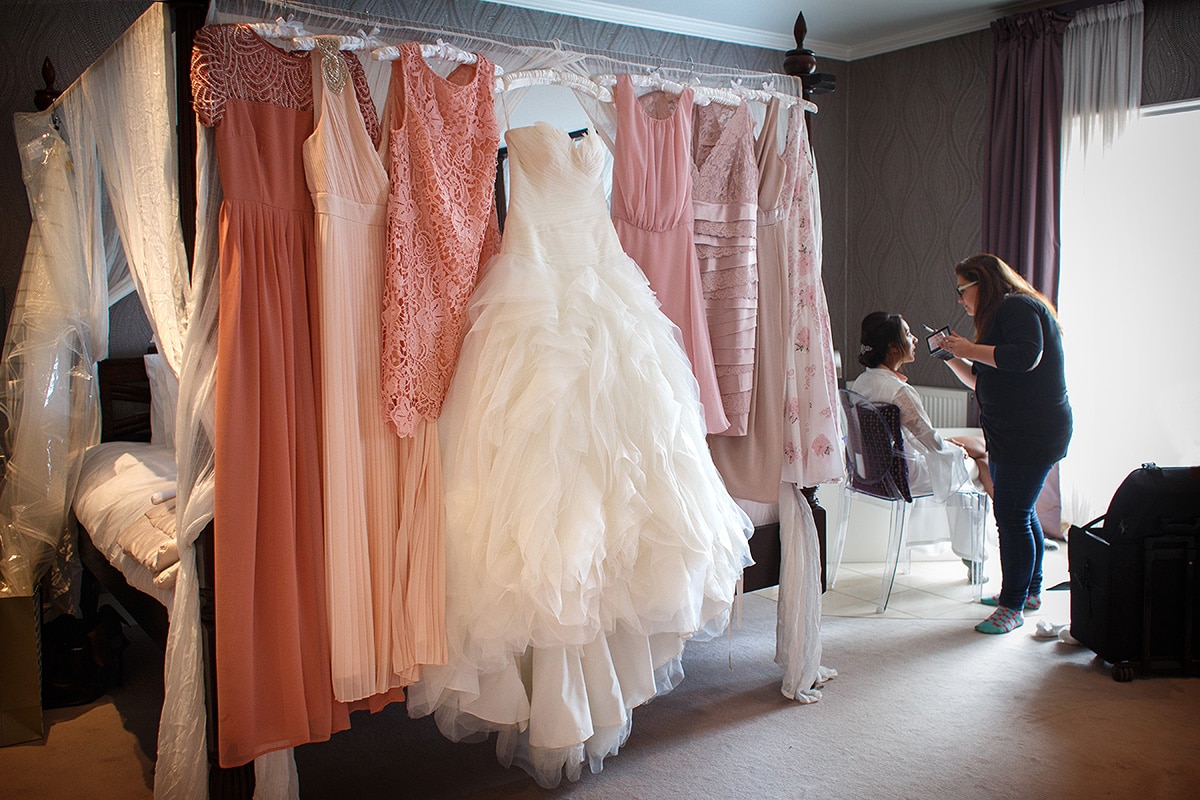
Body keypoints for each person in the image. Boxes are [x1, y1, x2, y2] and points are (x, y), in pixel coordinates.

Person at [939, 254, 1072, 635]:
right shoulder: (1002, 317)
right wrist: (953, 357)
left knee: (1012, 516)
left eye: (962, 290)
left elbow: (1025, 357)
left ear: (983, 283)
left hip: (1033, 433)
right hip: (1011, 433)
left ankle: (1012, 605)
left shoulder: (1017, 306)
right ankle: (1026, 594)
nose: (960, 300)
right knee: (1021, 512)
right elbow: (983, 381)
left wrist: (968, 349)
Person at [850, 312, 992, 585]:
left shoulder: (862, 382)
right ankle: (983, 550)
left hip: (873, 471)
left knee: (981, 449)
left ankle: (996, 540)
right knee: (979, 463)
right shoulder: (898, 391)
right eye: (908, 334)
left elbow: (923, 438)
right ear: (893, 347)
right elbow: (930, 441)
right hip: (906, 473)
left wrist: (951, 447)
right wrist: (955, 452)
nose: (915, 339)